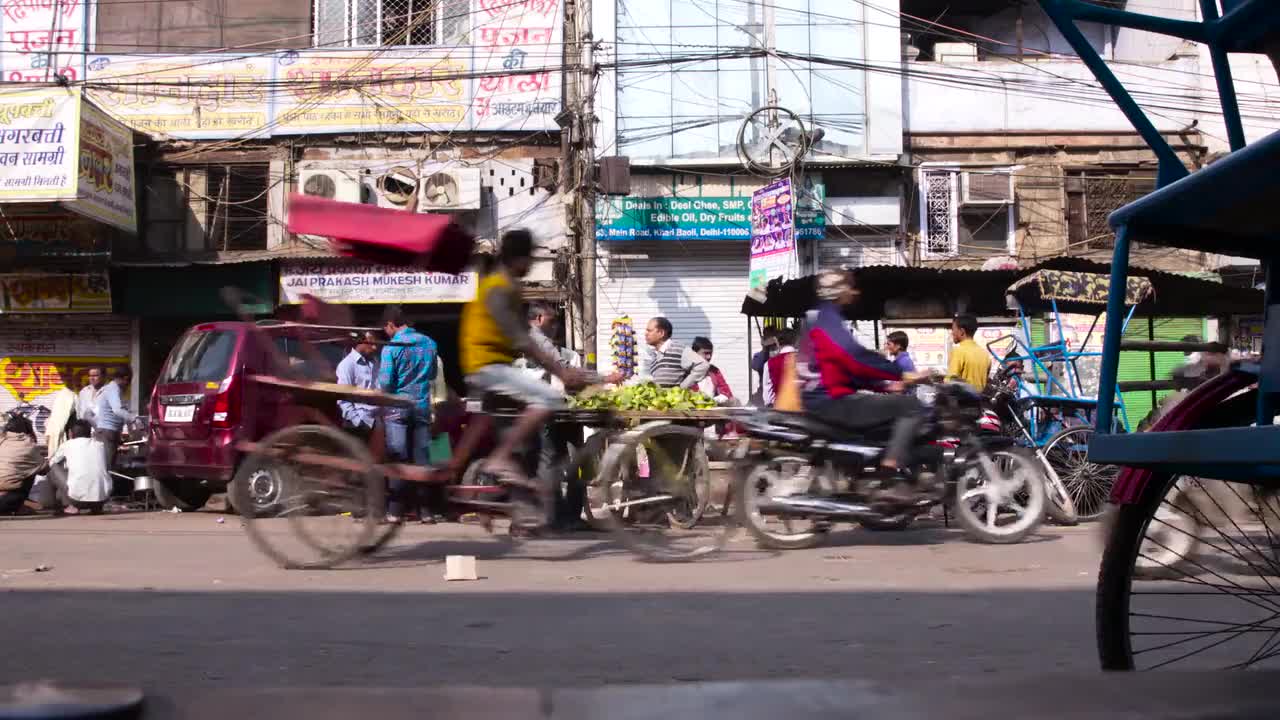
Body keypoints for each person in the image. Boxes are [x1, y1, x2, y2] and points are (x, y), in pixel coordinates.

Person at [459, 229, 586, 527]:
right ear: (518, 258)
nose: (531, 263)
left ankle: (504, 503)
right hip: (486, 366)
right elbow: (523, 340)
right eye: (529, 256)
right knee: (549, 397)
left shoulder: (507, 286)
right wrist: (562, 373)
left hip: (495, 366)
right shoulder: (500, 287)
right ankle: (500, 460)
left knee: (524, 444)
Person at [804, 270, 929, 503]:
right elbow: (855, 358)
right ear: (839, 290)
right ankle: (889, 470)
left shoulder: (824, 317)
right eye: (849, 287)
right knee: (911, 406)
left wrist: (883, 386)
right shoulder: (829, 319)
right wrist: (900, 373)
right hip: (832, 399)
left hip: (827, 396)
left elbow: (844, 366)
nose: (854, 292)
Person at [378, 306, 439, 524]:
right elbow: (432, 374)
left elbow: (385, 382)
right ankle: (426, 512)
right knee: (422, 460)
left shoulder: (391, 347)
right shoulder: (430, 343)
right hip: (421, 406)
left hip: (397, 409)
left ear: (390, 324)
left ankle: (395, 512)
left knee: (398, 459)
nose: (386, 333)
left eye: (385, 329)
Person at [46, 420, 112, 515]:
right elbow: (107, 466)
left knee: (52, 467)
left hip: (77, 500)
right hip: (103, 498)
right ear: (89, 433)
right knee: (100, 470)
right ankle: (96, 508)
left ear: (71, 433)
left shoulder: (67, 445)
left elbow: (52, 462)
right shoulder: (100, 445)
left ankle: (69, 506)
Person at [635, 317, 710, 389]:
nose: (646, 333)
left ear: (661, 333)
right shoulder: (655, 356)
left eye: (649, 330)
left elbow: (702, 365)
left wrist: (682, 387)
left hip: (674, 401)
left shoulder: (678, 348)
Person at [336, 331, 380, 440]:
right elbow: (343, 398)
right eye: (371, 343)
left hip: (376, 421)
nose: (375, 347)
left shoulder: (374, 363)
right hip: (358, 424)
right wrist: (357, 421)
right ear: (360, 341)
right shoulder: (347, 365)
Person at [94, 368, 136, 469]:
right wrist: (134, 419)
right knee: (106, 467)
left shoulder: (113, 389)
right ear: (126, 379)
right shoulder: (113, 389)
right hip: (107, 431)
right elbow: (117, 410)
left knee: (109, 465)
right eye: (128, 382)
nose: (128, 386)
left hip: (110, 431)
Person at [0, 414, 42, 515]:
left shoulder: (2, 441)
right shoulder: (29, 445)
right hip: (11, 497)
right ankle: (18, 505)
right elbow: (44, 469)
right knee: (33, 468)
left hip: (6, 494)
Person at [947, 314, 991, 391]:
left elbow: (950, 380)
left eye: (953, 329)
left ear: (962, 331)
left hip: (962, 401)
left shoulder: (958, 351)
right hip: (980, 401)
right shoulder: (985, 354)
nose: (952, 333)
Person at [45, 366, 79, 456]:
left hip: (65, 432)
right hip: (61, 432)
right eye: (68, 378)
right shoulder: (64, 395)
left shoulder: (72, 395)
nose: (70, 381)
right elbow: (56, 417)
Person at [691, 337, 733, 404]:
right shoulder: (685, 371)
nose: (709, 357)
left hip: (713, 409)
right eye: (705, 353)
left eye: (710, 353)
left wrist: (715, 400)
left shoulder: (714, 371)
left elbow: (727, 392)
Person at [763, 328, 799, 407]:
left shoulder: (769, 364)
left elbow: (768, 396)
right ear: (795, 341)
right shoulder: (803, 359)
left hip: (780, 410)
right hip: (802, 410)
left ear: (778, 343)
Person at [750, 326, 780, 404]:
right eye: (767, 336)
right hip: (763, 392)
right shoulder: (758, 355)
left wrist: (776, 344)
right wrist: (765, 348)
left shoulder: (780, 353)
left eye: (771, 336)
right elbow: (756, 366)